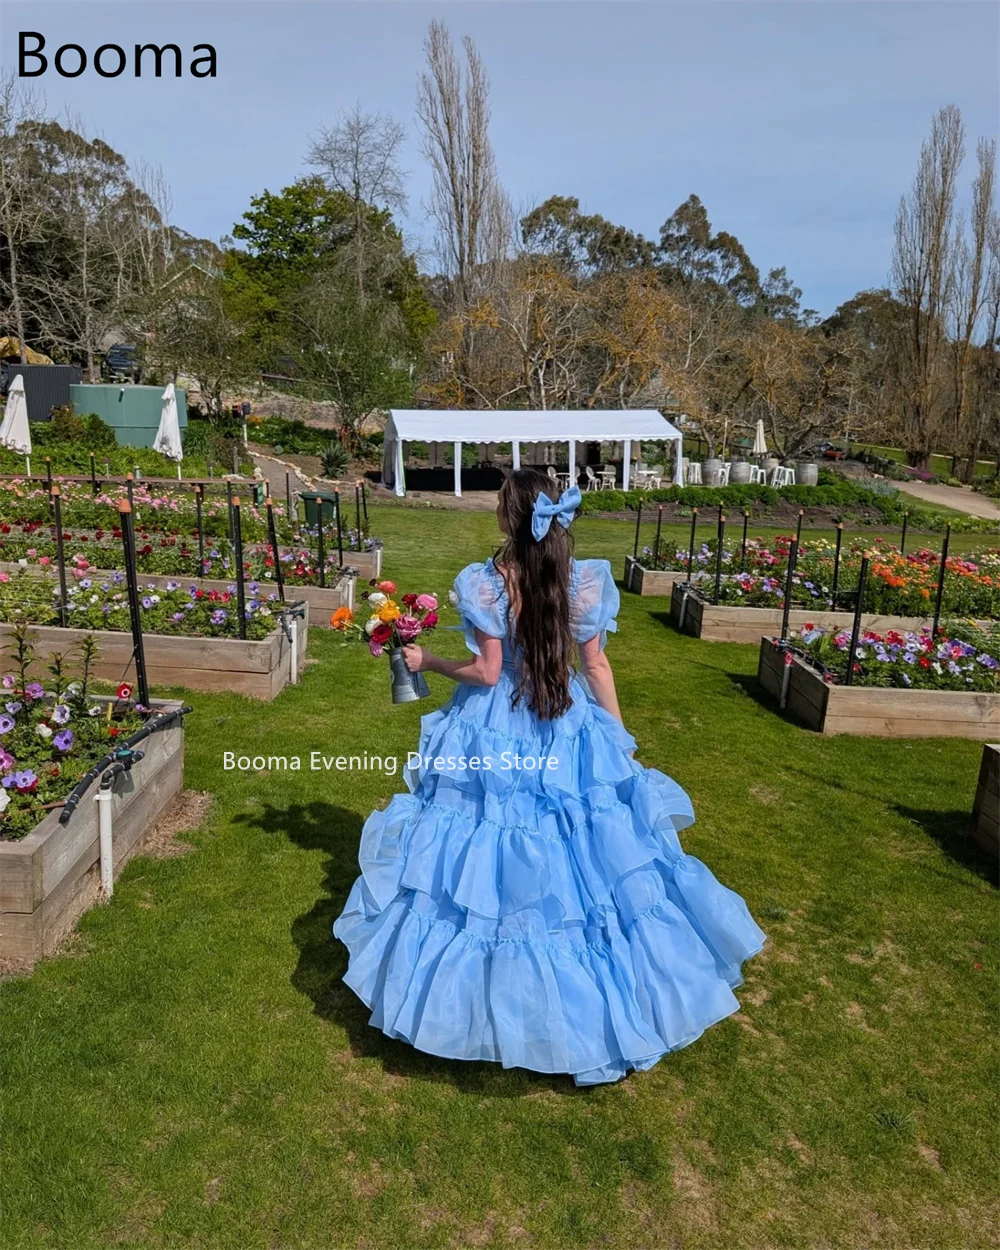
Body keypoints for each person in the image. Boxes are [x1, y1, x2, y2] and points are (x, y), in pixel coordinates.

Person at [334, 469, 765, 1085]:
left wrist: (428, 660)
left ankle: (484, 996)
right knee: (584, 852)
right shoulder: (582, 580)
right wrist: (617, 741)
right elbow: (596, 665)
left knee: (485, 844)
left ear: (508, 516)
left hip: (495, 727)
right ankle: (598, 1000)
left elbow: (487, 674)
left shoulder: (486, 582)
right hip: (564, 721)